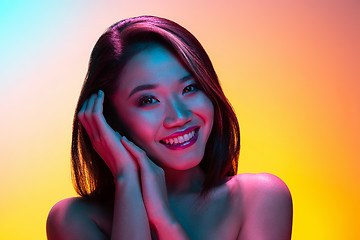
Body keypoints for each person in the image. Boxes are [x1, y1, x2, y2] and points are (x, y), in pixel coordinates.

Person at [46, 16, 293, 240]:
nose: (179, 116)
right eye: (148, 100)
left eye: (190, 88)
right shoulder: (73, 220)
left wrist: (163, 219)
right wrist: (127, 180)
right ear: (110, 118)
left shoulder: (259, 198)